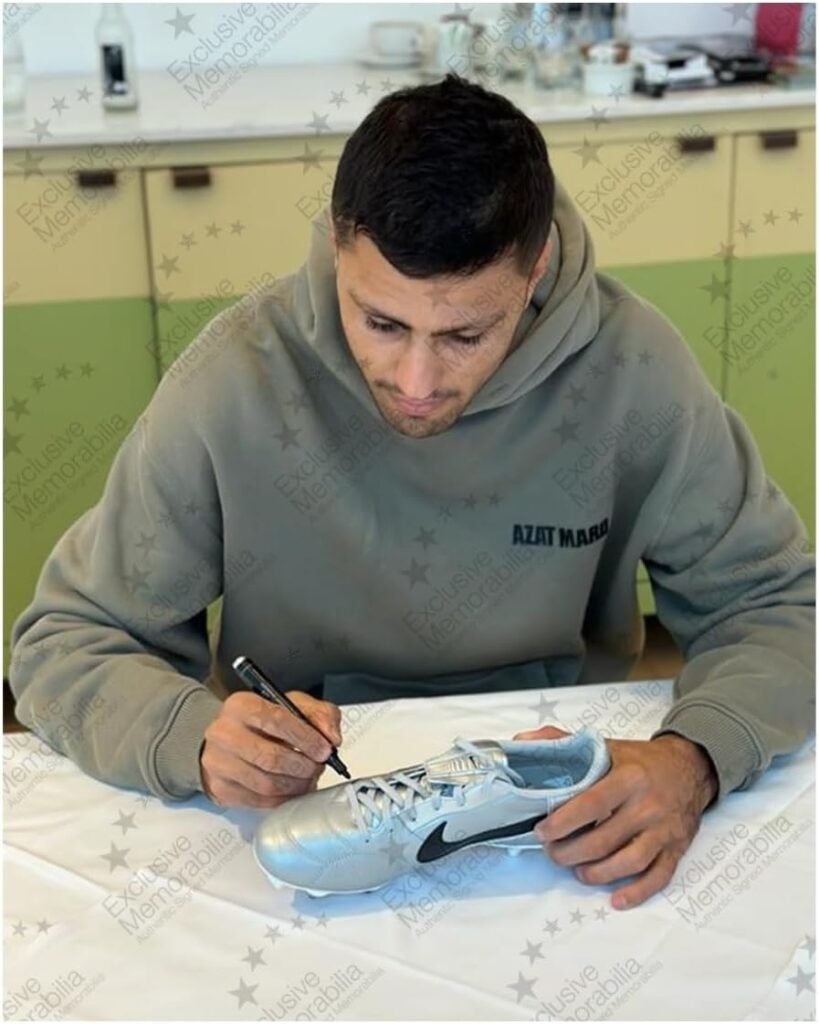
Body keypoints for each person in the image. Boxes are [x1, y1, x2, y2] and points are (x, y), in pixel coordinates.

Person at [9, 74, 814, 911]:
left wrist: (696, 758)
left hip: (554, 819)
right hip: (314, 809)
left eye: (466, 333)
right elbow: (63, 641)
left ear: (534, 267)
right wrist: (190, 734)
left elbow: (778, 605)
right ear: (337, 243)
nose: (417, 381)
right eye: (381, 323)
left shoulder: (635, 370)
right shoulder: (234, 379)